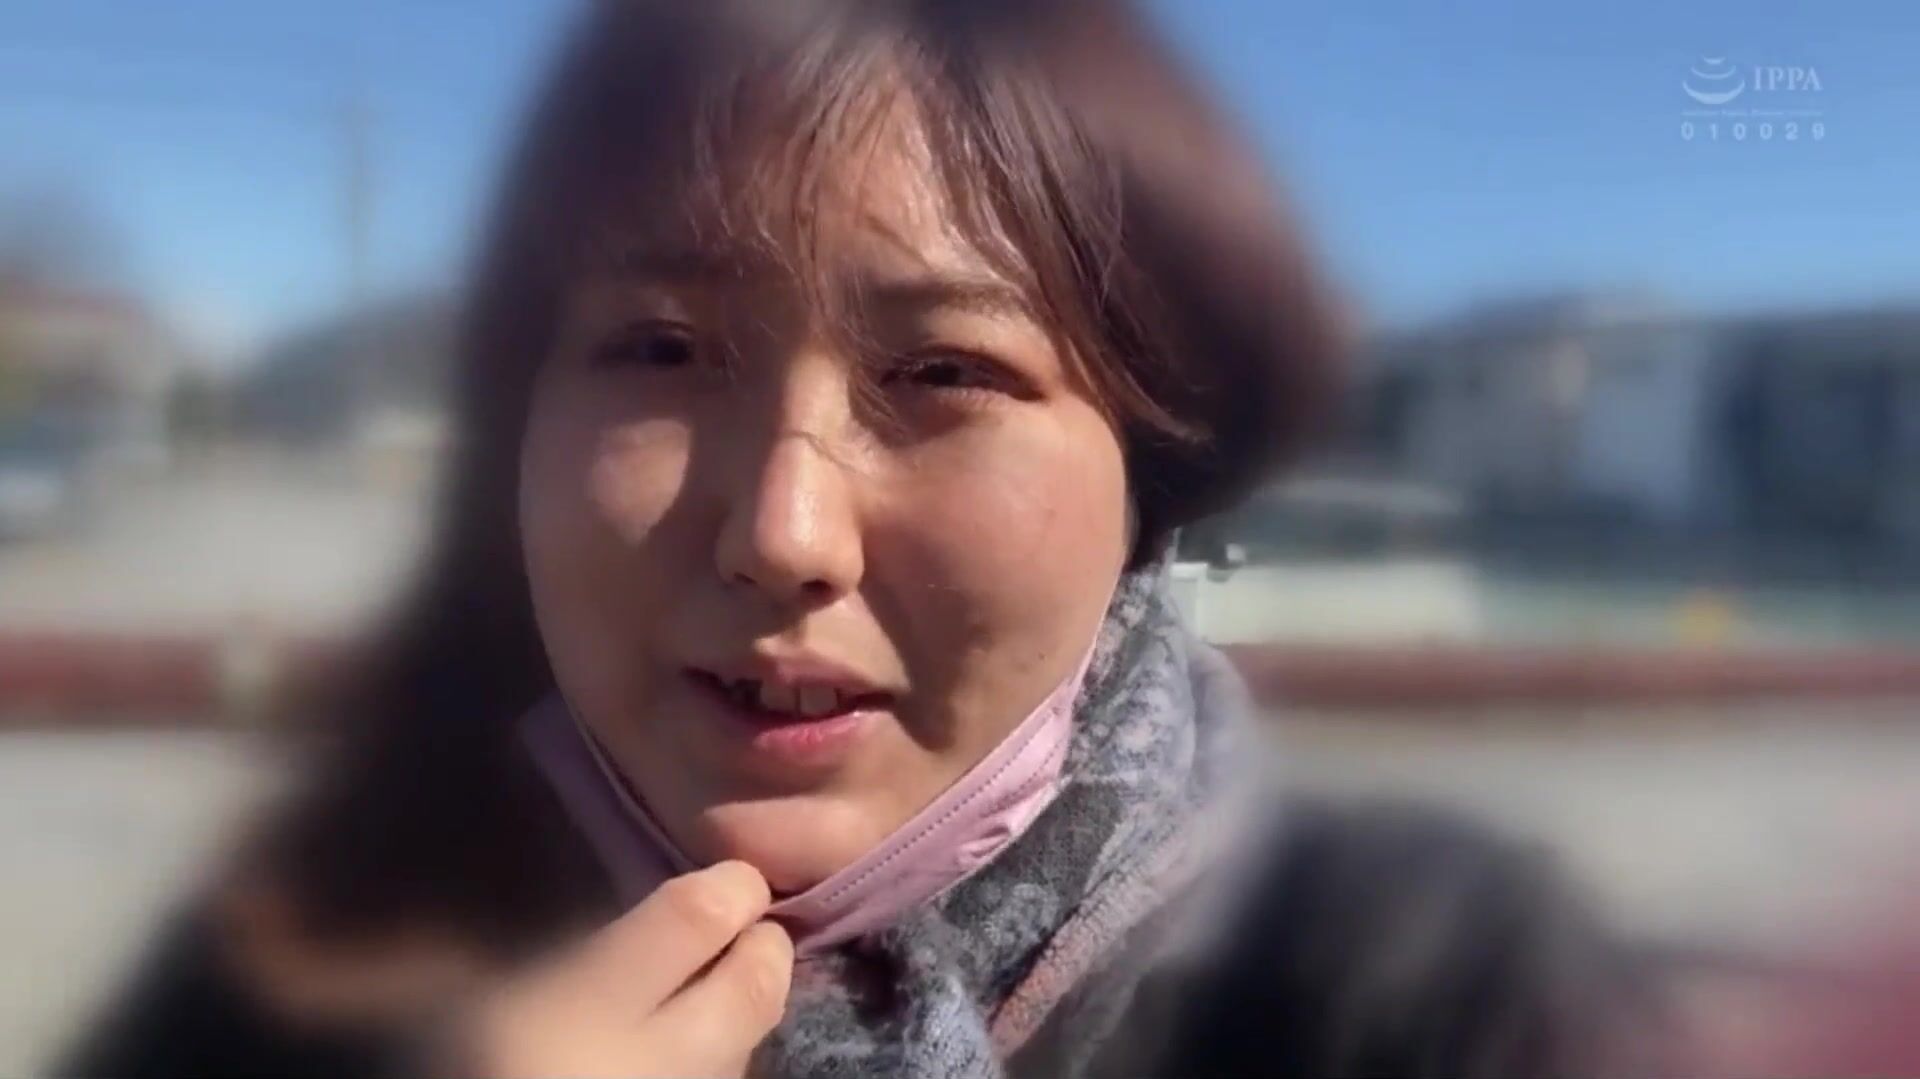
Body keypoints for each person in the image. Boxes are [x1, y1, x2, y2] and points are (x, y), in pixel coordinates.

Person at [58, 1, 1665, 1075]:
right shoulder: (295, 959)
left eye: (946, 372)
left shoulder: (1426, 986)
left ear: (1151, 480)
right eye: (661, 350)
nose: (785, 532)